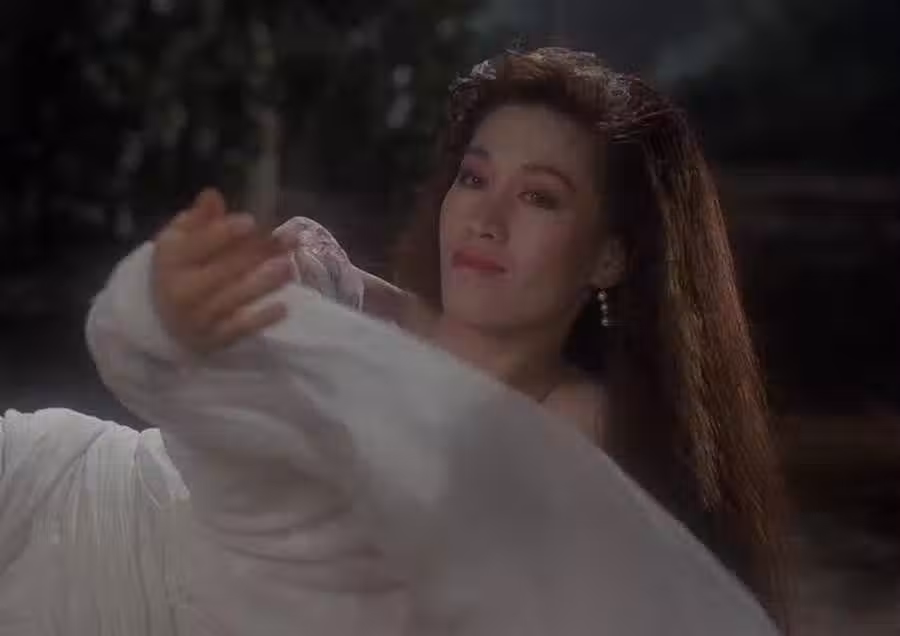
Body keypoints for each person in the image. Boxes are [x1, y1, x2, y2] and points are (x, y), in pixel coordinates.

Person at [0, 48, 786, 635]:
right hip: (70, 505)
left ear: (610, 255)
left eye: (540, 198)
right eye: (474, 178)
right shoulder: (374, 319)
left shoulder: (578, 435)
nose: (485, 219)